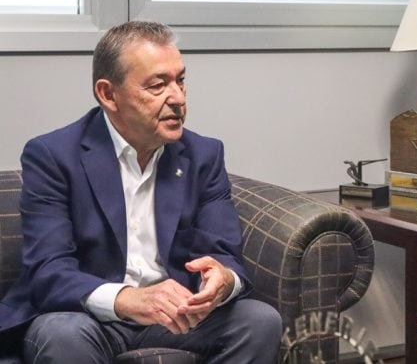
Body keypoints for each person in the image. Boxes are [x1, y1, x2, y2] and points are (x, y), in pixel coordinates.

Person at [0, 21, 282, 363]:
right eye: (157, 85)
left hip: (178, 316)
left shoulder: (203, 155)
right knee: (62, 334)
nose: (177, 98)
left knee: (259, 320)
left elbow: (223, 253)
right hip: (89, 316)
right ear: (108, 94)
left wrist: (223, 280)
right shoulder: (54, 156)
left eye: (180, 80)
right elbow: (48, 269)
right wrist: (127, 299)